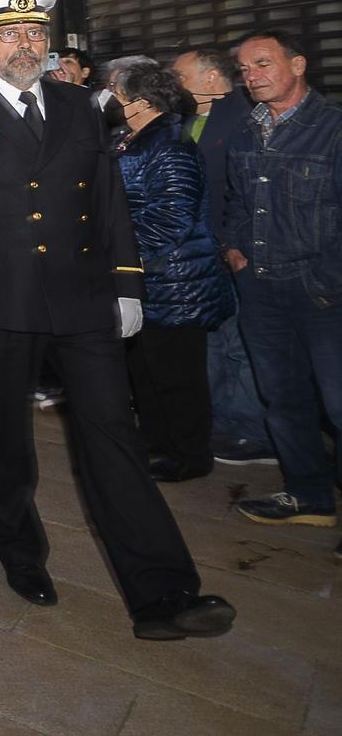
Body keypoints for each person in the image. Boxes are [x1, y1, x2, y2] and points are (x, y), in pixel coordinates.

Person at [0, 0, 235, 640]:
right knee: (2, 438)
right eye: (9, 34)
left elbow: (108, 200)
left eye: (34, 33)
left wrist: (128, 285)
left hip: (80, 296)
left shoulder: (81, 106)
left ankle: (163, 591)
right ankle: (18, 551)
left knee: (112, 435)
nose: (25, 44)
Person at [222, 29, 342, 533]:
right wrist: (233, 249)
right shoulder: (248, 129)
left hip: (323, 292)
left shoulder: (332, 128)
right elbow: (235, 200)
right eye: (245, 69)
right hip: (261, 288)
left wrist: (325, 277)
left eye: (263, 64)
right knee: (283, 397)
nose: (252, 77)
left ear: (298, 65)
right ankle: (311, 496)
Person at [107, 56, 234, 482]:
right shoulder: (135, 138)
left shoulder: (170, 145)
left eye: (117, 93)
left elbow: (171, 218)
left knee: (178, 379)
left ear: (140, 101)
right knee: (147, 372)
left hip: (177, 284)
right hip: (151, 282)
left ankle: (190, 456)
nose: (110, 99)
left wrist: (116, 246)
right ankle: (159, 444)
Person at [171, 45, 272, 465]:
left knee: (241, 343)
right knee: (211, 340)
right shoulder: (189, 119)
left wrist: (234, 244)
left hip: (232, 249)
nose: (174, 84)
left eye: (180, 76)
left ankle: (250, 429)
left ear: (211, 78)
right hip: (200, 253)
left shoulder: (243, 119)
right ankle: (218, 418)